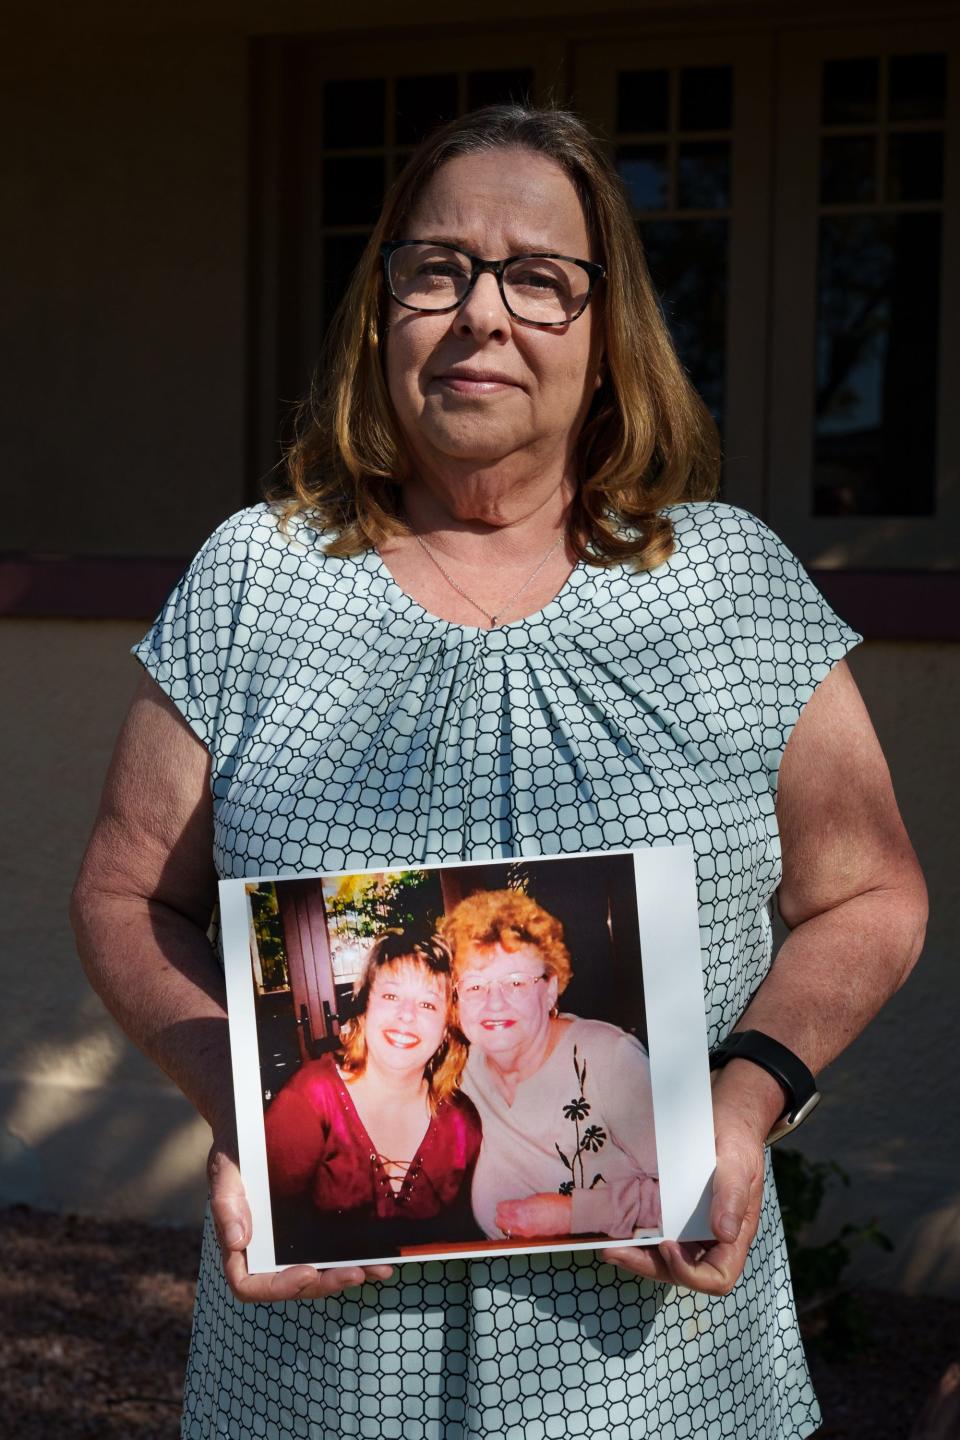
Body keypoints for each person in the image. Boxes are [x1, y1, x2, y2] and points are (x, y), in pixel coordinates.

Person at [70, 102, 927, 1440]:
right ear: (382, 312)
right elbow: (125, 896)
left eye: (538, 277)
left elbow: (869, 892)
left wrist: (745, 1098)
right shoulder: (255, 577)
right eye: (438, 268)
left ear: (606, 333)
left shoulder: (733, 586)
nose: (482, 313)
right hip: (320, 1381)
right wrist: (241, 1099)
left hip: (662, 1380)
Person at [437, 887, 661, 1242]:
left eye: (515, 982)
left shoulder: (608, 1059)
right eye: (475, 986)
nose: (494, 1004)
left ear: (550, 988)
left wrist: (573, 1214)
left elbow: (693, 1189)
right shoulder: (464, 1070)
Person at [264, 930, 482, 1263]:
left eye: (427, 1003)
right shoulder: (310, 1098)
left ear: (446, 1028)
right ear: (364, 1009)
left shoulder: (462, 1122)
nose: (406, 1016)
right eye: (392, 997)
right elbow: (265, 1234)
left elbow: (464, 1245)